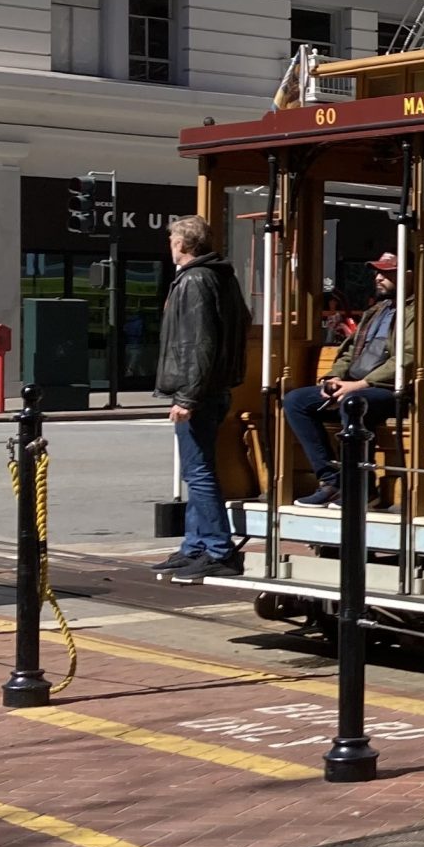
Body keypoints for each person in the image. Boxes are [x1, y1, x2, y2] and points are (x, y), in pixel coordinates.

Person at [282, 252, 424, 507]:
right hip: (357, 388)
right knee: (295, 401)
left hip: (397, 392)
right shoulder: (377, 311)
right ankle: (332, 481)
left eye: (386, 273)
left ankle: (363, 488)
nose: (378, 278)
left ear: (409, 276)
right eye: (377, 273)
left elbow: (412, 360)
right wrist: (334, 377)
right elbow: (349, 350)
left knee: (354, 403)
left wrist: (359, 385)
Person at [153, 216, 250, 580]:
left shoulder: (195, 279)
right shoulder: (221, 277)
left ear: (183, 244)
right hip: (214, 389)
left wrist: (187, 397)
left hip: (200, 392)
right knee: (197, 472)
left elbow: (198, 345)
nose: (171, 245)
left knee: (199, 472)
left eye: (173, 239)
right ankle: (194, 546)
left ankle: (218, 549)